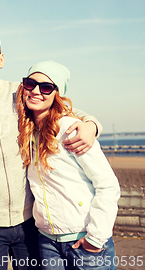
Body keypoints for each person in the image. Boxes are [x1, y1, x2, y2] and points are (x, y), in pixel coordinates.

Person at [0, 28, 103, 270]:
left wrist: (91, 125)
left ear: (1, 59)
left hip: (30, 220)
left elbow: (65, 109)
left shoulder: (23, 91)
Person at [16, 60, 120, 270]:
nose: (36, 91)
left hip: (85, 240)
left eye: (46, 87)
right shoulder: (29, 132)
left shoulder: (70, 129)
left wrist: (95, 239)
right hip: (47, 242)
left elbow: (108, 185)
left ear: (56, 94)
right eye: (30, 83)